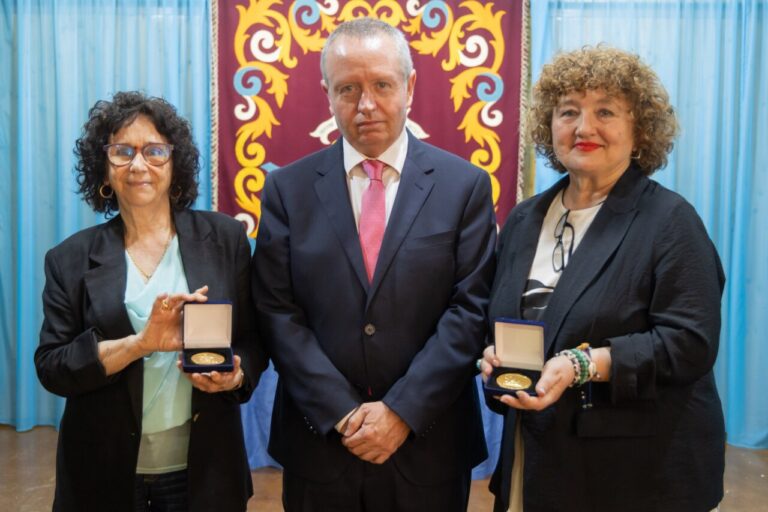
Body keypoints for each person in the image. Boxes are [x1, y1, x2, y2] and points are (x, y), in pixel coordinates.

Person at [252, 17, 496, 511]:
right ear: (327, 94)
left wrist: (401, 412)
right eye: (348, 89)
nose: (366, 105)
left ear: (409, 85)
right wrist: (343, 413)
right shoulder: (286, 190)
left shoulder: (464, 186)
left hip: (428, 444)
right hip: (320, 443)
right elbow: (277, 311)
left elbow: (470, 311)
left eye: (382, 84)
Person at [480, 46, 725, 512]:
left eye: (606, 112)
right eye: (568, 111)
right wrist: (492, 354)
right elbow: (497, 316)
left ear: (639, 133)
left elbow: (690, 342)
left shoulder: (671, 221)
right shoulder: (525, 219)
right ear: (548, 127)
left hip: (634, 472)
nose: (583, 127)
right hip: (534, 456)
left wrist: (582, 364)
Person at [35, 91, 267, 512]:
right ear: (103, 169)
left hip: (207, 473)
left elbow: (254, 341)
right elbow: (52, 367)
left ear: (174, 165)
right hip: (102, 477)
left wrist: (234, 377)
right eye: (122, 152)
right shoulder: (68, 259)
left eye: (154, 151)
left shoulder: (225, 240)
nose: (139, 165)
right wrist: (140, 344)